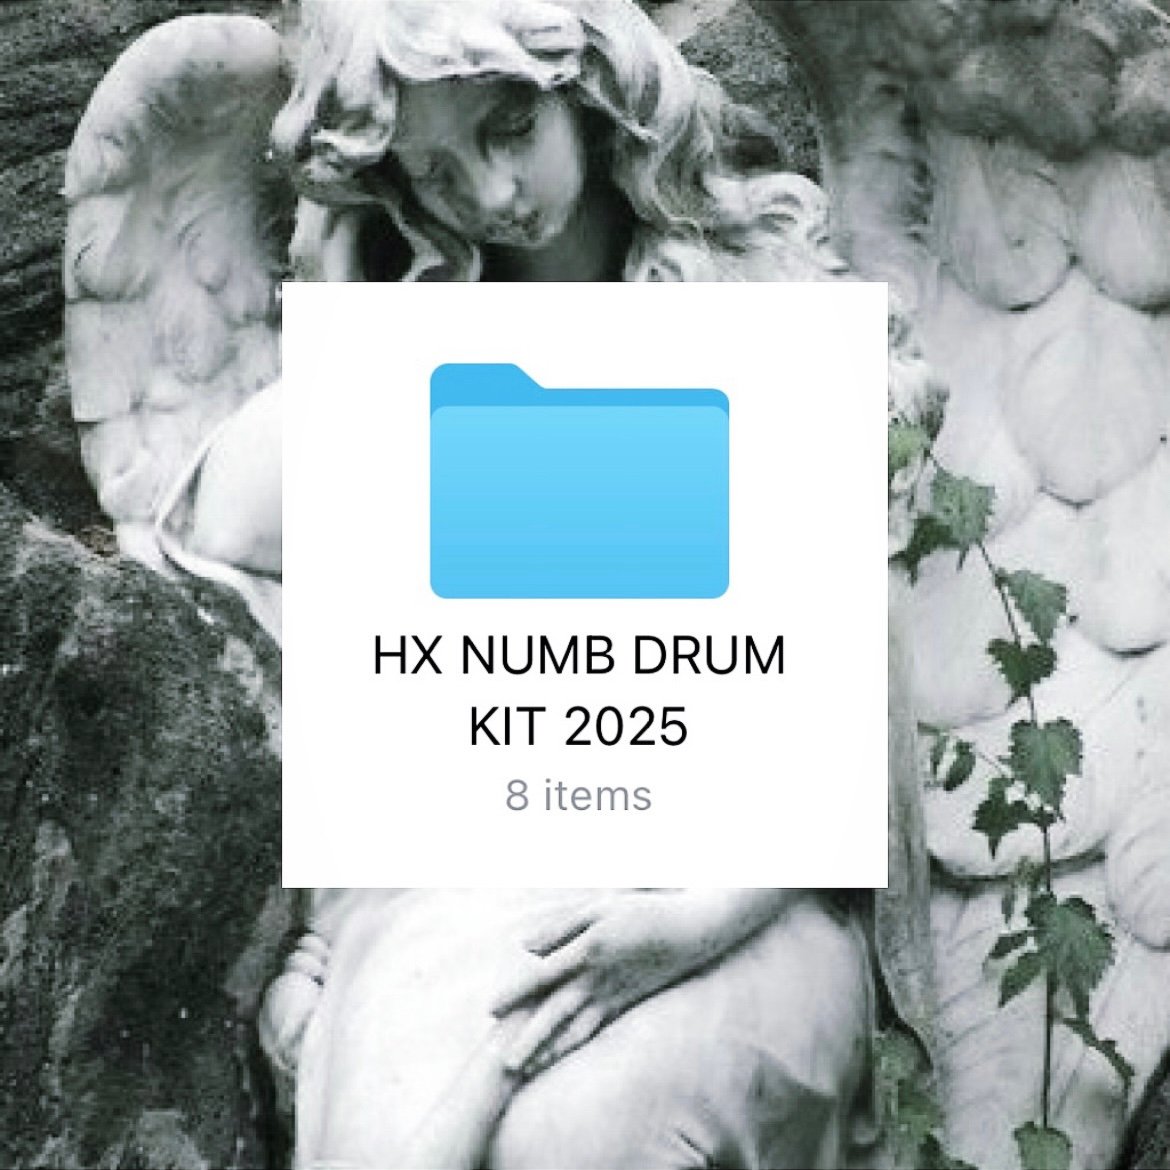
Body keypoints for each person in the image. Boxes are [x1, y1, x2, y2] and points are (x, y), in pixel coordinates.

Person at [256, 4, 940, 1168]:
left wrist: (692, 919)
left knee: (584, 1132)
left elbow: (840, 707)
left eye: (509, 127)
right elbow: (376, 677)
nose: (491, 193)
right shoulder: (414, 350)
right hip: (468, 887)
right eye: (437, 171)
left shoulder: (755, 303)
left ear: (586, 90)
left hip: (745, 893)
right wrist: (315, 945)